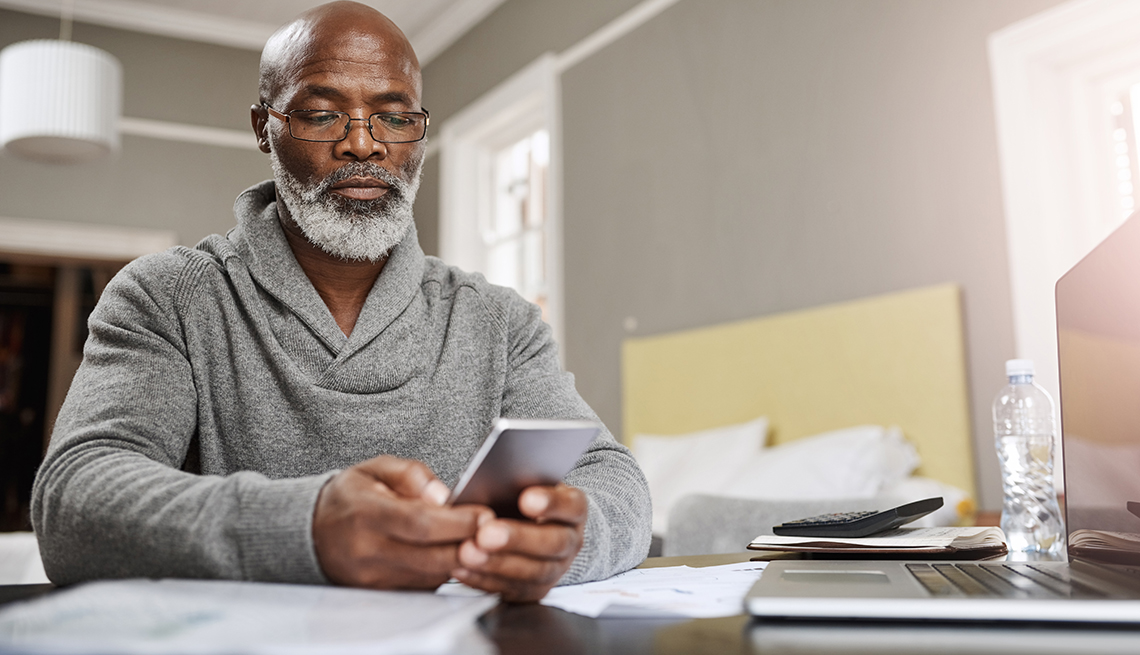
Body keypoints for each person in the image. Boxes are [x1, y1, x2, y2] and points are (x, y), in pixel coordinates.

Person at [31, 0, 651, 603]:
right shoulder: (167, 296)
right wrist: (304, 527)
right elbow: (74, 499)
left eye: (395, 116)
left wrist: (571, 537)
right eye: (322, 114)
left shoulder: (501, 321)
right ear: (264, 130)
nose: (363, 144)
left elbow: (614, 480)